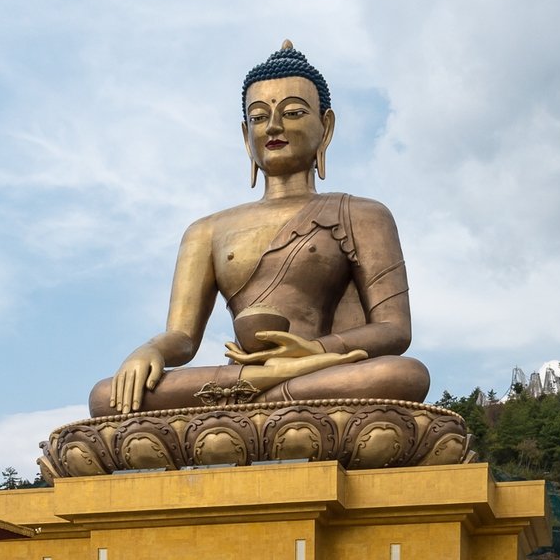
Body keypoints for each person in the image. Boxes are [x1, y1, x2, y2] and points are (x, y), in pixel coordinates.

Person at [90, 43, 430, 419]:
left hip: (326, 369)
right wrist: (150, 350)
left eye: (294, 113)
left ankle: (252, 402)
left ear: (326, 126)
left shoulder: (362, 214)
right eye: (258, 117)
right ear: (244, 135)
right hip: (249, 375)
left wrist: (312, 354)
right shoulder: (207, 230)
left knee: (402, 375)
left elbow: (394, 329)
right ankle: (269, 393)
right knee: (107, 396)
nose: (273, 127)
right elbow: (183, 339)